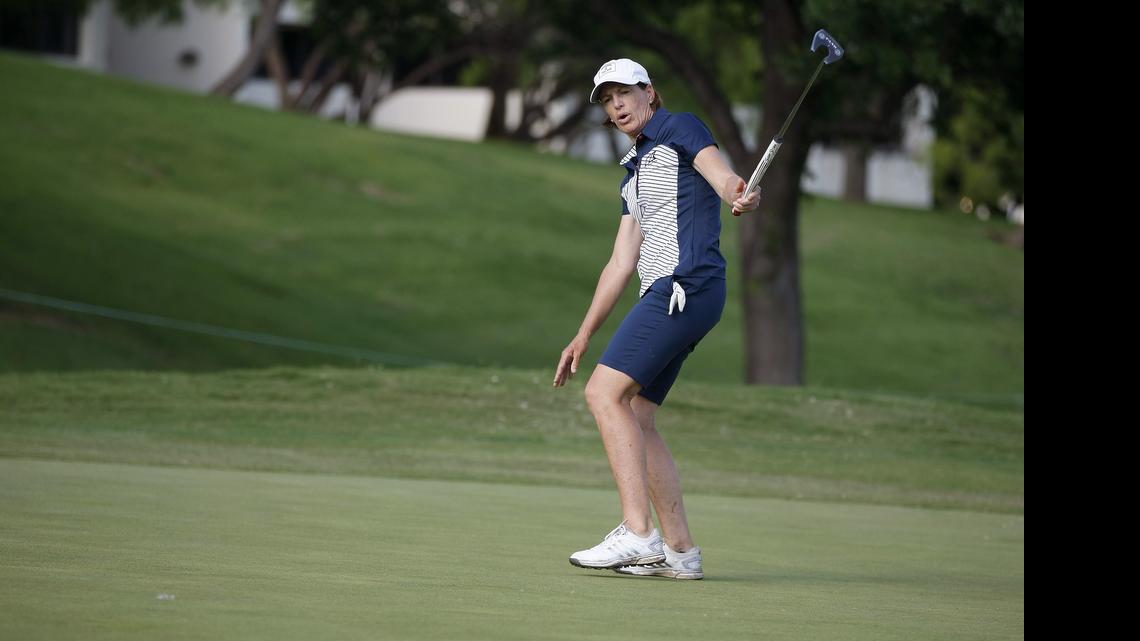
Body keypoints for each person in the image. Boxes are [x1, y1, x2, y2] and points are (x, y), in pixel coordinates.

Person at [553, 58, 760, 580]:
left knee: (603, 395)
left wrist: (739, 191)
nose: (617, 105)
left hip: (684, 286)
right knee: (638, 415)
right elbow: (621, 262)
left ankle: (638, 535)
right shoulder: (635, 170)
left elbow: (721, 175)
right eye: (607, 98)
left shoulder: (679, 126)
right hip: (678, 293)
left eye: (624, 92)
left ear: (650, 93)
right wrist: (582, 336)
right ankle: (681, 553)